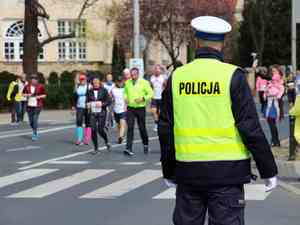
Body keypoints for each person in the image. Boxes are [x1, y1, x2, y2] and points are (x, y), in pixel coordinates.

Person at [158, 16, 278, 225]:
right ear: (222, 43)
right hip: (227, 174)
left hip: (188, 172)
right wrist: (268, 169)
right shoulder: (233, 76)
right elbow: (249, 127)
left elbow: (166, 128)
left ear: (196, 42)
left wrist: (168, 170)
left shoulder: (178, 77)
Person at [124, 68, 153, 156]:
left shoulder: (144, 82)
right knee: (130, 127)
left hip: (140, 108)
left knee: (142, 128)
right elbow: (125, 92)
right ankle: (128, 148)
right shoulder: (127, 82)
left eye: (134, 75)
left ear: (138, 74)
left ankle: (145, 144)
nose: (132, 77)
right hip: (130, 108)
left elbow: (151, 93)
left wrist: (143, 98)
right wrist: (125, 98)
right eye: (131, 75)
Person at [87, 77, 111, 155]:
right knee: (93, 130)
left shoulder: (104, 90)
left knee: (100, 130)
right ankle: (96, 148)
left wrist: (102, 104)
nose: (96, 84)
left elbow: (109, 101)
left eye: (97, 83)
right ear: (92, 84)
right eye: (94, 83)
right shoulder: (89, 91)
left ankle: (106, 140)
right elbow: (87, 101)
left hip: (101, 113)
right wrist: (88, 104)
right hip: (93, 113)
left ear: (99, 83)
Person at [265, 66, 285, 147]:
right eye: (272, 71)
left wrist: (276, 87)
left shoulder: (280, 82)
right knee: (271, 124)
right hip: (268, 103)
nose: (274, 73)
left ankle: (275, 141)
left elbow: (281, 91)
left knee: (272, 123)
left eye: (275, 71)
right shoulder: (270, 81)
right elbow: (266, 89)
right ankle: (275, 141)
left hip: (275, 103)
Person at [23, 75, 46, 141]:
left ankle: (35, 133)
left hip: (38, 105)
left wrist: (39, 97)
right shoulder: (27, 86)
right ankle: (34, 129)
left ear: (37, 80)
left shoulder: (40, 86)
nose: (33, 80)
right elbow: (22, 94)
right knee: (31, 122)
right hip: (29, 106)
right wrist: (27, 95)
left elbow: (44, 95)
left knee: (35, 119)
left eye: (35, 79)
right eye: (32, 79)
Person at [72, 73, 91, 146]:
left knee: (88, 122)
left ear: (86, 80)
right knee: (79, 121)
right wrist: (73, 106)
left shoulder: (89, 86)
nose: (82, 81)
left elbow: (92, 96)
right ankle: (79, 139)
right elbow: (74, 97)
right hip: (79, 106)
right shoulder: (77, 87)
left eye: (83, 79)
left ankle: (87, 139)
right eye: (81, 79)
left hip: (88, 107)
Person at [150, 64, 167, 131]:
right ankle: (156, 124)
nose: (156, 70)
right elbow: (151, 86)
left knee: (160, 112)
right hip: (154, 97)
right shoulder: (152, 77)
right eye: (155, 69)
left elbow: (165, 86)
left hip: (161, 97)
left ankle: (160, 123)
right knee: (153, 111)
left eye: (158, 69)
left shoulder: (163, 77)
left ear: (160, 70)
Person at [111, 76, 127, 144]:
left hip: (123, 109)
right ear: (116, 82)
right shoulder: (113, 89)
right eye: (118, 81)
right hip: (116, 109)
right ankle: (121, 136)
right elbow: (110, 98)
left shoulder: (126, 89)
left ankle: (120, 137)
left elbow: (128, 98)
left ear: (123, 82)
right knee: (119, 125)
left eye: (121, 81)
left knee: (122, 123)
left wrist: (126, 106)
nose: (120, 83)